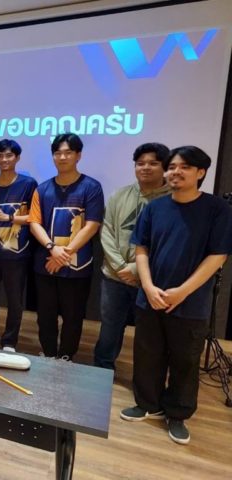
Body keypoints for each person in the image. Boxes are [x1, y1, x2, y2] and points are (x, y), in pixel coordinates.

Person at [121, 145, 232, 445]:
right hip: (150, 297)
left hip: (190, 302)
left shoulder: (217, 210)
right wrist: (147, 286)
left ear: (201, 172)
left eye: (184, 167)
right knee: (148, 354)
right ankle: (147, 404)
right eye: (171, 167)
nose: (175, 172)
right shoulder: (154, 208)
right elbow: (141, 248)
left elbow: (218, 255)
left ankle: (178, 413)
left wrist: (182, 291)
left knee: (185, 360)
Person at [93, 143, 170, 370]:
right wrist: (120, 266)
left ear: (165, 167)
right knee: (110, 326)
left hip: (152, 281)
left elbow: (169, 243)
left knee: (149, 332)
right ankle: (103, 369)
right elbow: (107, 232)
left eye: (153, 163)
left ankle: (145, 377)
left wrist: (136, 269)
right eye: (140, 163)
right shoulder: (119, 195)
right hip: (114, 276)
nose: (145, 168)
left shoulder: (173, 200)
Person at [27, 133, 104, 360]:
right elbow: (34, 223)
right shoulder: (42, 189)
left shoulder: (91, 187)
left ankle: (66, 356)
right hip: (46, 264)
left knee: (73, 315)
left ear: (78, 155)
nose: (62, 157)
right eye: (58, 153)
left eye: (68, 152)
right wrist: (53, 248)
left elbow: (92, 225)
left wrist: (64, 254)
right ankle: (49, 353)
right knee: (45, 315)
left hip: (78, 266)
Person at [0, 139, 37, 352]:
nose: (4, 159)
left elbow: (35, 217)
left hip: (17, 253)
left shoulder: (29, 184)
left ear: (17, 158)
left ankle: (10, 341)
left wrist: (9, 217)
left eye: (9, 155)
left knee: (15, 301)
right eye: (0, 156)